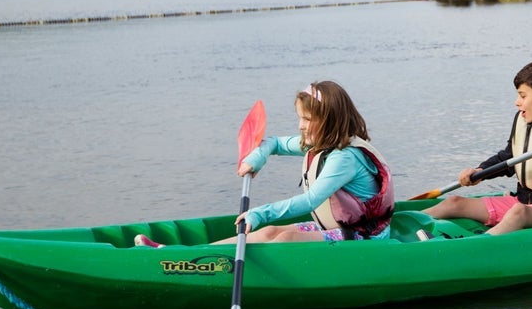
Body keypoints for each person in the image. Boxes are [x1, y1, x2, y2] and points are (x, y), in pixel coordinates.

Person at [134, 81, 394, 247]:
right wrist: (257, 158)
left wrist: (259, 213)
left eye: (307, 120)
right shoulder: (321, 144)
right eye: (300, 118)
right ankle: (189, 255)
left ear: (329, 121)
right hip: (339, 228)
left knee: (288, 237)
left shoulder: (344, 158)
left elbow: (310, 201)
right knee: (270, 233)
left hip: (365, 237)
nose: (300, 126)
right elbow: (274, 143)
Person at [423, 57, 532, 235]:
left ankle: (475, 247)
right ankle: (400, 224)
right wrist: (480, 170)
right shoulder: (526, 120)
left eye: (522, 95)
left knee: (519, 213)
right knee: (454, 202)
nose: (517, 102)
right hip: (522, 201)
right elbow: (509, 158)